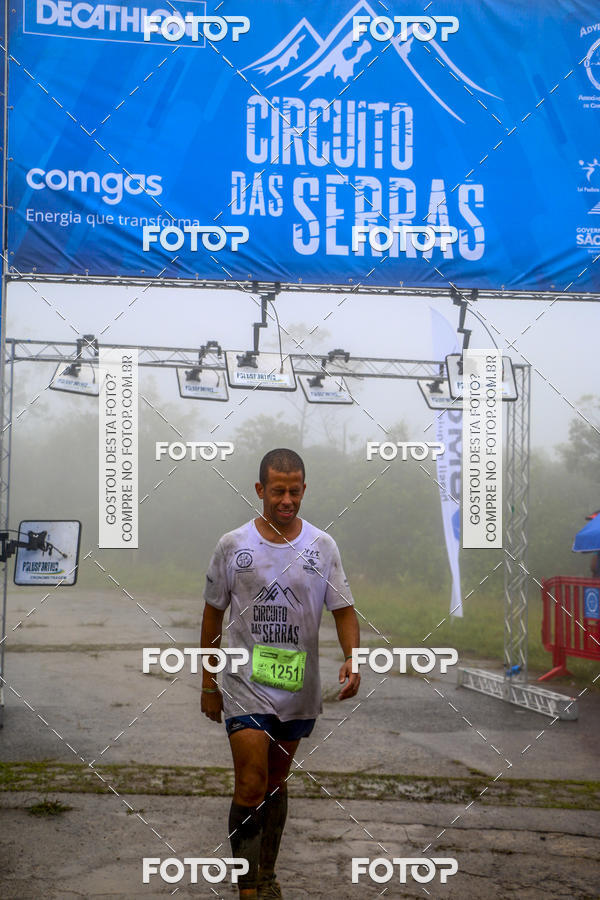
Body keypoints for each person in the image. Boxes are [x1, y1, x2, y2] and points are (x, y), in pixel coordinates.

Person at [200, 448, 360, 899]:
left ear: (303, 490)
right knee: (250, 783)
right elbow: (212, 617)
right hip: (245, 684)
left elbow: (344, 611)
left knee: (273, 783)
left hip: (296, 686)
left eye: (294, 491)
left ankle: (266, 874)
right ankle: (248, 887)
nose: (286, 500)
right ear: (260, 491)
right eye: (277, 491)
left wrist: (354, 657)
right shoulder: (233, 546)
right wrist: (208, 684)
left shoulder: (321, 546)